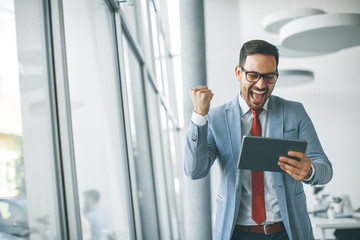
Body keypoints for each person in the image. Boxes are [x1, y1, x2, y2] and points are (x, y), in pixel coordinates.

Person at [184, 39, 333, 240]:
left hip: (287, 231)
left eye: (269, 77)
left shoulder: (294, 112)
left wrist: (309, 170)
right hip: (236, 233)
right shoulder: (217, 118)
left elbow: (325, 169)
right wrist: (199, 117)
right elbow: (195, 171)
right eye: (253, 75)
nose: (261, 85)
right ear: (238, 73)